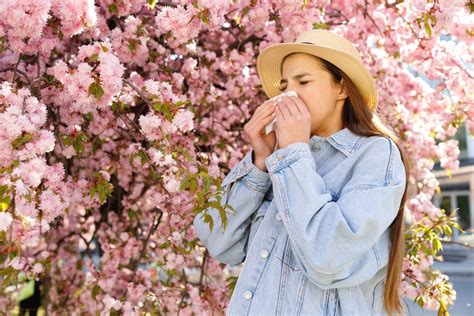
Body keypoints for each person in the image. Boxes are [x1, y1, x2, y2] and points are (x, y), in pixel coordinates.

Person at [193, 29, 411, 316]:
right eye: (284, 86)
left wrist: (293, 154)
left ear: (342, 89)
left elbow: (328, 256)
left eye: (303, 81)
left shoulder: (375, 155)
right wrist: (260, 162)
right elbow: (218, 241)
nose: (289, 94)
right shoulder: (281, 160)